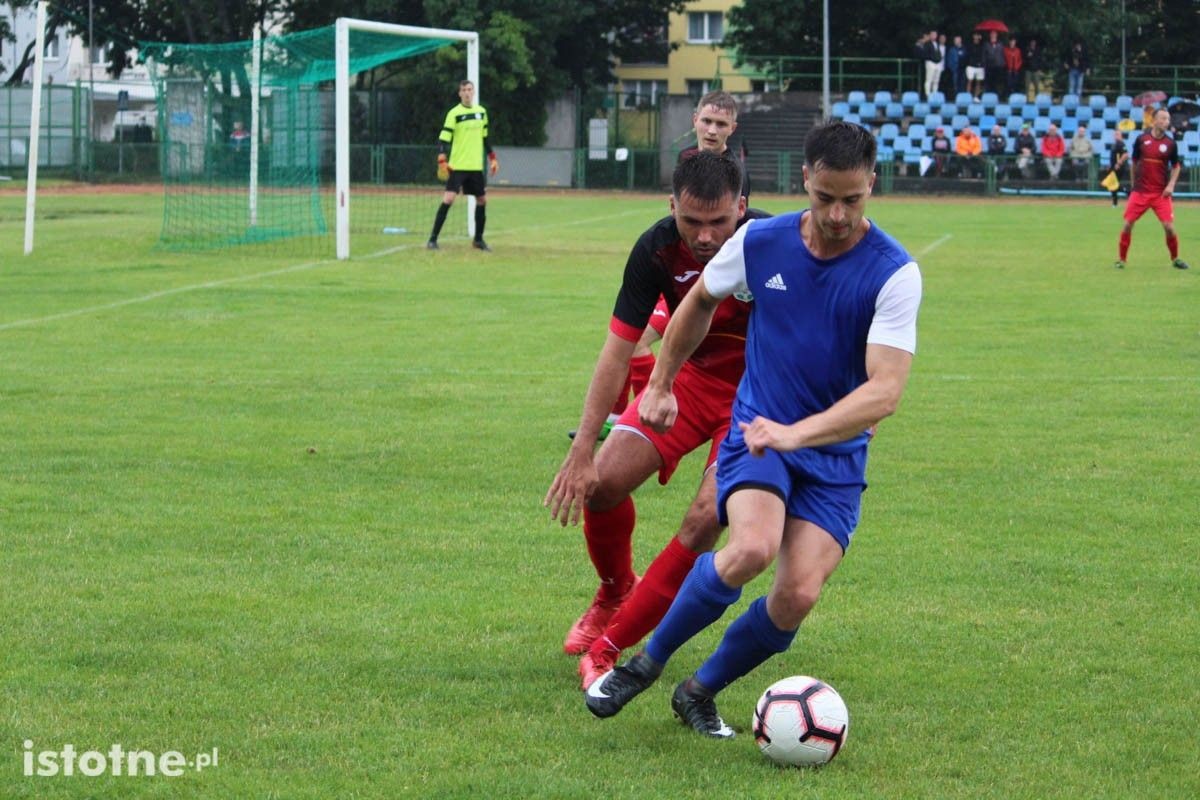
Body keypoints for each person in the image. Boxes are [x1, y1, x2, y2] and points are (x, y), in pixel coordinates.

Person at [584, 120, 922, 738]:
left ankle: (698, 691)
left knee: (797, 595)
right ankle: (643, 664)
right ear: (805, 180)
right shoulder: (760, 241)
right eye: (825, 197)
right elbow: (698, 301)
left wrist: (799, 434)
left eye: (852, 199)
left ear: (872, 184)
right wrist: (660, 383)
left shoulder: (894, 272)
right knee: (749, 549)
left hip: (833, 456)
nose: (838, 215)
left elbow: (885, 391)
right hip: (758, 430)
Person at [545, 153, 771, 690]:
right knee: (601, 485)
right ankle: (616, 591)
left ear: (741, 207)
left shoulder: (771, 242)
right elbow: (617, 349)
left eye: (718, 221)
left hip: (758, 397)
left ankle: (611, 646)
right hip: (688, 379)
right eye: (692, 221)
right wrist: (582, 448)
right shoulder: (655, 248)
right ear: (672, 207)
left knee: (704, 518)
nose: (705, 236)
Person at [572, 91, 751, 445]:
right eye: (707, 121)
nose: (712, 130)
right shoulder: (682, 168)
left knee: (647, 342)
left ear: (732, 128)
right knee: (632, 339)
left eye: (720, 124)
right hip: (682, 282)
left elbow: (733, 240)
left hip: (719, 291)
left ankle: (647, 405)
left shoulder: (737, 174)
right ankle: (630, 411)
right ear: (694, 121)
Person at [426, 80, 499, 251]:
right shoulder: (454, 113)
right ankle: (432, 240)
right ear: (459, 93)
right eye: (464, 90)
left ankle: (478, 240)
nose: (467, 92)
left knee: (482, 200)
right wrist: (442, 158)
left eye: (469, 89)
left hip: (475, 166)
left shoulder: (481, 112)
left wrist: (492, 157)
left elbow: (485, 138)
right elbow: (444, 138)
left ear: (473, 92)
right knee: (448, 199)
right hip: (457, 166)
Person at [1114, 108, 1188, 270]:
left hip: (1160, 194)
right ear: (1154, 121)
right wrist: (1134, 186)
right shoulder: (1141, 140)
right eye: (1163, 118)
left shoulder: (1170, 144)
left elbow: (1176, 166)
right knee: (1127, 224)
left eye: (1168, 119)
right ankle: (1121, 260)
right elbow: (1134, 162)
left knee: (1169, 227)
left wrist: (1171, 185)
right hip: (1140, 192)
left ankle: (1175, 259)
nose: (1166, 122)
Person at [916, 30, 943, 99]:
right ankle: (928, 94)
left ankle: (935, 93)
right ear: (930, 36)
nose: (934, 36)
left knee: (936, 80)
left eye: (935, 35)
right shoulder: (927, 43)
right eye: (932, 35)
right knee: (929, 79)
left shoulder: (937, 43)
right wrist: (931, 58)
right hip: (930, 62)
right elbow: (925, 53)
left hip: (937, 63)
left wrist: (939, 59)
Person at [1108, 129, 1130, 207]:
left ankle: (1128, 192)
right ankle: (1116, 202)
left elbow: (1126, 154)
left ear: (1121, 136)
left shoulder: (1121, 144)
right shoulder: (1114, 144)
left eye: (1118, 134)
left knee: (1113, 184)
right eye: (1115, 134)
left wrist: (1118, 163)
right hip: (1113, 167)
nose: (1116, 136)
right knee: (1112, 184)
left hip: (1119, 167)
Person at [983, 31, 1006, 97]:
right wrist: (984, 65)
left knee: (997, 83)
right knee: (989, 83)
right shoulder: (986, 44)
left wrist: (1002, 64)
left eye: (994, 34)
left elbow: (1003, 54)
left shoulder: (1000, 44)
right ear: (990, 35)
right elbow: (984, 56)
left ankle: (997, 97)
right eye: (992, 34)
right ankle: (988, 97)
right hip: (989, 67)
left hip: (998, 67)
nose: (993, 36)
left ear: (996, 35)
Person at [965, 32, 986, 100]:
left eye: (977, 36)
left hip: (980, 66)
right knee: (969, 81)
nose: (976, 37)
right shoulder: (970, 44)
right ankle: (967, 97)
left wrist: (982, 39)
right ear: (973, 36)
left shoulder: (982, 45)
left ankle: (976, 97)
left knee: (978, 82)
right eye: (975, 35)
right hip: (971, 66)